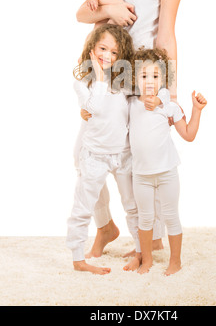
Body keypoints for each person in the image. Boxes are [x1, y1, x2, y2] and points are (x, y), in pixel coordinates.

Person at [76, 0, 183, 258]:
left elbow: (165, 36)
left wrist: (170, 93)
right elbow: (81, 14)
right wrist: (116, 6)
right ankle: (107, 226)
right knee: (84, 155)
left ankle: (147, 239)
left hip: (139, 81)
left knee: (133, 160)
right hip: (105, 76)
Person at [66, 24, 141, 275]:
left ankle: (141, 252)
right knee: (83, 206)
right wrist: (99, 77)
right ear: (92, 48)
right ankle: (78, 259)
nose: (107, 55)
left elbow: (137, 107)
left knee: (132, 206)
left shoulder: (124, 82)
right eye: (102, 48)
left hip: (123, 154)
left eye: (114, 52)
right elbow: (94, 108)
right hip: (94, 155)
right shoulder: (84, 81)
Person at [129, 48, 207, 275]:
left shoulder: (169, 107)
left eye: (155, 76)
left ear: (163, 78)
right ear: (135, 78)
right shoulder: (131, 105)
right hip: (141, 175)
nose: (150, 81)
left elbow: (189, 135)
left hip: (166, 173)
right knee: (145, 219)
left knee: (171, 215)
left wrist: (196, 110)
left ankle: (175, 260)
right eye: (144, 76)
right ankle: (146, 260)